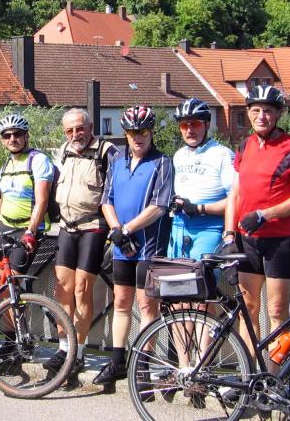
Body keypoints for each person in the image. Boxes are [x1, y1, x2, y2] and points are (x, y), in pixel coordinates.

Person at [222, 85, 290, 359]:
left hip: (279, 239)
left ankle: (275, 376)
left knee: (277, 310)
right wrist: (228, 235)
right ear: (248, 113)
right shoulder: (245, 145)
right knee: (248, 309)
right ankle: (250, 374)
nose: (262, 116)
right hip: (246, 239)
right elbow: (234, 193)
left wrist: (265, 214)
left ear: (278, 114)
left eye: (268, 111)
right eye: (256, 110)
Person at [94, 106, 173, 390]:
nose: (137, 137)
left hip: (147, 246)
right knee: (121, 302)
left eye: (143, 132)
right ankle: (117, 361)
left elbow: (159, 206)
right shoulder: (117, 160)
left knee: (147, 305)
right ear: (125, 134)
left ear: (151, 132)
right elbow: (106, 199)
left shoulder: (162, 162)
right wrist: (116, 230)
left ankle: (142, 367)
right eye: (132, 132)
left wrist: (127, 229)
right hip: (120, 244)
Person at [45, 108, 117, 379]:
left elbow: (114, 191)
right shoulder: (64, 150)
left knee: (81, 290)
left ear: (90, 127)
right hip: (66, 226)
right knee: (62, 289)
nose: (75, 134)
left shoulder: (107, 152)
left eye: (79, 128)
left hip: (93, 227)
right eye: (69, 130)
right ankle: (65, 348)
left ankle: (80, 350)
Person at [0, 113, 54, 275]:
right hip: (4, 229)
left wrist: (30, 232)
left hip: (26, 230)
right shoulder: (6, 165)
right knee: (5, 282)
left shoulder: (38, 160)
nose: (12, 138)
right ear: (2, 140)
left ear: (26, 135)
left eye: (17, 134)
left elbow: (42, 200)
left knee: (13, 280)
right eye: (7, 135)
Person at [169, 98, 234, 262]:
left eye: (195, 124)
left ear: (207, 124)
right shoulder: (179, 156)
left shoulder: (223, 154)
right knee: (173, 282)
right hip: (179, 226)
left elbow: (236, 200)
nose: (189, 130)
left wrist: (199, 208)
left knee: (200, 280)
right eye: (184, 125)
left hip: (209, 228)